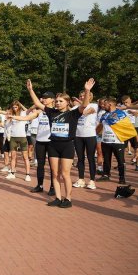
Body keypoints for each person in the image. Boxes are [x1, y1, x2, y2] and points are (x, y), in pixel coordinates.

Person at [27, 78, 96, 208]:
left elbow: (84, 105)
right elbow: (37, 102)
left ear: (67, 102)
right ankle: (58, 198)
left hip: (67, 146)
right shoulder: (51, 112)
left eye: (61, 101)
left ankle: (68, 199)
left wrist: (87, 91)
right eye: (57, 101)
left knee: (65, 174)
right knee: (54, 173)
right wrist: (31, 90)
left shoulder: (74, 114)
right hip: (53, 145)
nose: (58, 103)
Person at [73, 90, 99, 190]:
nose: (82, 97)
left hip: (90, 135)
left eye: (84, 96)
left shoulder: (94, 105)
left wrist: (81, 106)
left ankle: (92, 181)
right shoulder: (75, 107)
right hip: (78, 135)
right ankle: (81, 179)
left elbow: (88, 111)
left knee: (91, 158)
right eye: (80, 96)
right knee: (80, 158)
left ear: (89, 97)